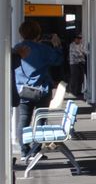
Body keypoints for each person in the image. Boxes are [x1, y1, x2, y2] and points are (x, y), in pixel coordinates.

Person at [13, 20, 62, 150]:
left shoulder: (17, 49)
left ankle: (24, 151)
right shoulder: (44, 49)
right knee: (41, 121)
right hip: (42, 90)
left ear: (21, 33)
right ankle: (35, 151)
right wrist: (57, 46)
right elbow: (57, 61)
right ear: (38, 34)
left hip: (22, 90)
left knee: (24, 119)